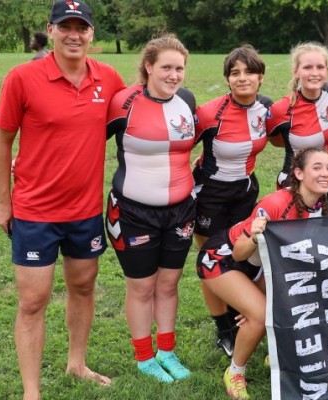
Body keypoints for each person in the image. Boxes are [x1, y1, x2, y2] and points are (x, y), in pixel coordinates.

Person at [0, 1, 125, 398]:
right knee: (33, 301)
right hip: (34, 211)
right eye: (64, 26)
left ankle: (76, 364)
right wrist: (3, 202)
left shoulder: (109, 78)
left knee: (84, 286)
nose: (73, 34)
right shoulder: (23, 77)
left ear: (91, 35)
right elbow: (2, 140)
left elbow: (139, 114)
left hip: (84, 210)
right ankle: (32, 392)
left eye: (81, 27)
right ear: (50, 31)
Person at [196, 147, 328, 400]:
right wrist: (254, 233)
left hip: (260, 266)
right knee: (259, 316)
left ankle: (276, 350)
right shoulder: (276, 202)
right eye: (317, 167)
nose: (325, 173)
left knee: (294, 299)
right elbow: (239, 254)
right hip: (221, 259)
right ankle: (235, 372)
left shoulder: (323, 204)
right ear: (299, 173)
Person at [105, 34, 196, 383]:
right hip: (132, 212)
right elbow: (80, 139)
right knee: (142, 287)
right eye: (166, 68)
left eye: (179, 68)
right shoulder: (123, 102)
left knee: (169, 284)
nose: (174, 75)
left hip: (180, 212)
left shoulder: (186, 100)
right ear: (148, 67)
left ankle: (167, 352)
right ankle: (145, 357)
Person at [193, 44, 272, 358]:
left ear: (261, 77)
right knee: (210, 259)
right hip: (210, 194)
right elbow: (177, 147)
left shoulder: (266, 109)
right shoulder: (210, 112)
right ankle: (223, 329)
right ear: (227, 79)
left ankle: (242, 317)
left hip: (245, 191)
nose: (242, 78)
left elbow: (282, 133)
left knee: (241, 257)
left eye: (249, 71)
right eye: (235, 73)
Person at [267, 42, 328, 214]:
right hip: (298, 182)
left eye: (320, 67)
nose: (315, 73)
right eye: (307, 67)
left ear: (327, 70)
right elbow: (274, 139)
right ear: (296, 72)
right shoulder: (281, 109)